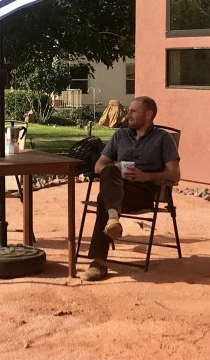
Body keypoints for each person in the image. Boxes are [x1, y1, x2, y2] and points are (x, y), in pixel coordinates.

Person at [80, 96, 180, 281]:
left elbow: (174, 174)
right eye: (129, 111)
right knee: (109, 171)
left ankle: (99, 262)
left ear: (149, 115)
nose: (128, 115)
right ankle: (112, 220)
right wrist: (116, 168)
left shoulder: (162, 138)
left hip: (142, 192)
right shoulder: (120, 135)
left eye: (133, 111)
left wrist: (147, 176)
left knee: (104, 197)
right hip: (117, 189)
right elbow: (98, 166)